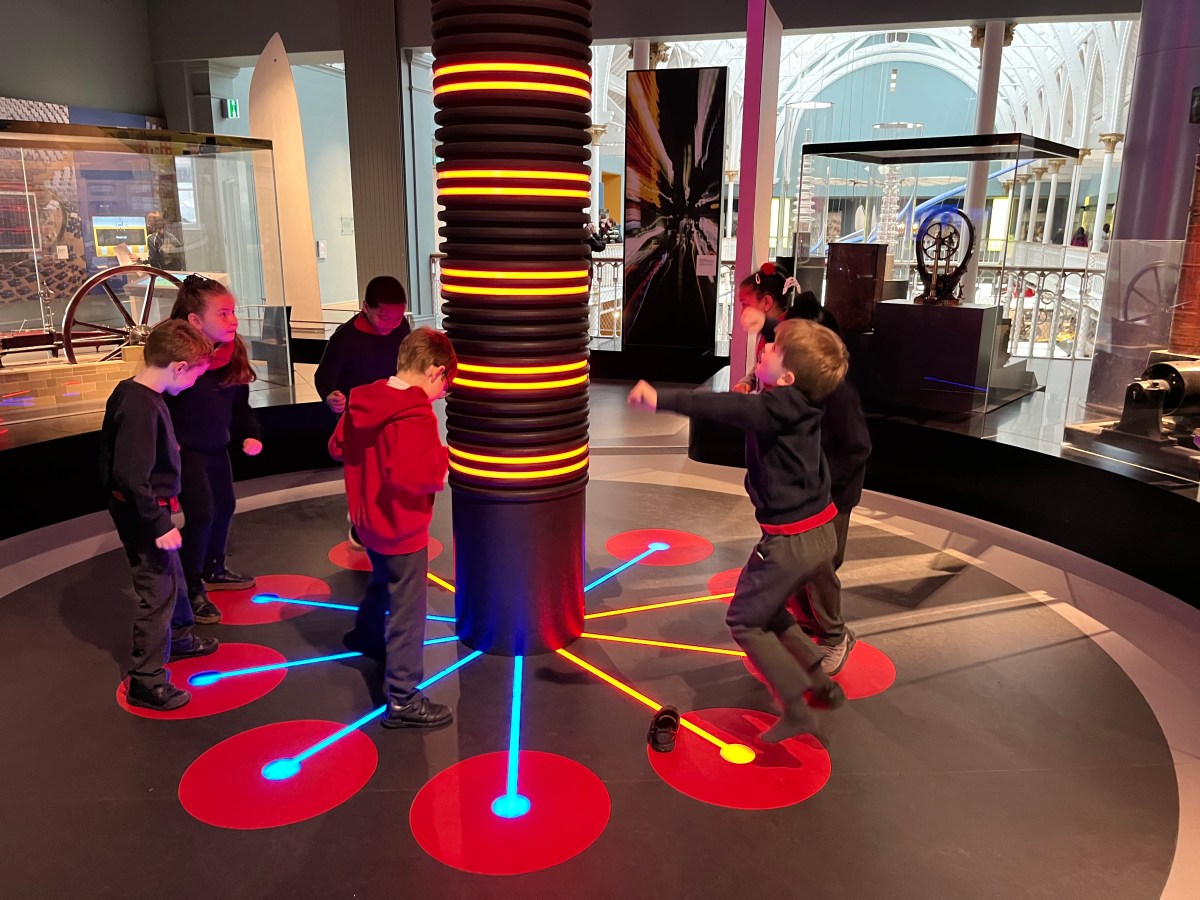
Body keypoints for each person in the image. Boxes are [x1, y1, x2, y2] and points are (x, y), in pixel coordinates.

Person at [628, 318, 849, 743]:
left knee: (745, 620)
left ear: (787, 379)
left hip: (790, 542)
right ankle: (821, 684)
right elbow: (754, 400)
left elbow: (725, 408)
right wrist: (758, 379)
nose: (764, 348)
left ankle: (796, 705)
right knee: (771, 611)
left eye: (773, 349)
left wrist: (660, 399)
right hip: (821, 532)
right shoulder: (801, 406)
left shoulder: (774, 408)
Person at [328, 327, 457, 729]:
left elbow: (336, 447)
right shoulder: (415, 415)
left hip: (369, 523)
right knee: (408, 611)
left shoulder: (363, 398)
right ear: (436, 371)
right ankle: (403, 698)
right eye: (444, 386)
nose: (441, 394)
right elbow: (417, 478)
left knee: (383, 581)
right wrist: (443, 457)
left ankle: (366, 636)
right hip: (403, 529)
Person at [99, 319, 219, 711]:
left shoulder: (137, 393)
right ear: (179, 367)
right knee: (157, 591)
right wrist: (157, 522)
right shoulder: (139, 407)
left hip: (151, 510)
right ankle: (146, 680)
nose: (196, 382)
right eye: (196, 374)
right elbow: (130, 476)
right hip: (145, 516)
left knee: (173, 577)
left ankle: (179, 637)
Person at [166, 275, 263, 625]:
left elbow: (240, 405)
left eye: (232, 312)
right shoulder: (175, 357)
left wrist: (250, 433)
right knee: (202, 515)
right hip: (186, 451)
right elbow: (157, 402)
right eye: (223, 313)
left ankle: (214, 568)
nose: (233, 320)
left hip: (216, 448)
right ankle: (191, 586)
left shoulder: (231, 352)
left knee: (225, 507)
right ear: (195, 321)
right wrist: (168, 443)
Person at [783, 301, 871, 674]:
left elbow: (857, 448)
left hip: (830, 497)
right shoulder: (798, 383)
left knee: (819, 566)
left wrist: (824, 492)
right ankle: (810, 628)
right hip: (803, 496)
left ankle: (835, 636)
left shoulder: (837, 391)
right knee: (796, 566)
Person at [315, 275, 413, 548]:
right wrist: (330, 396)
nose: (391, 325)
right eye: (384, 318)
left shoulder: (401, 328)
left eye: (397, 318)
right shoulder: (345, 338)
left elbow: (407, 363)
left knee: (394, 468)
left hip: (392, 410)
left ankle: (387, 518)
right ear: (365, 307)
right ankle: (361, 520)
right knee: (366, 472)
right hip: (357, 415)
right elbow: (324, 376)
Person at [732, 261, 792, 394]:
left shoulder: (792, 335)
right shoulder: (765, 333)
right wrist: (747, 382)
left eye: (745, 304)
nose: (742, 312)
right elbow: (761, 366)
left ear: (766, 302)